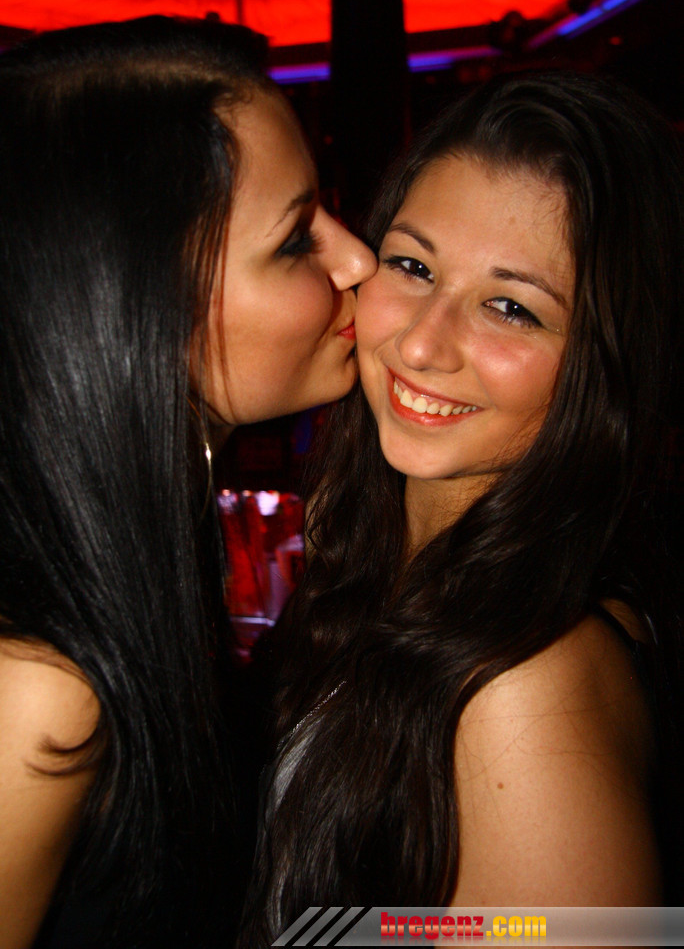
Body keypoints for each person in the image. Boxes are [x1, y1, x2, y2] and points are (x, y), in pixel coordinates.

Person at [241, 71, 684, 944]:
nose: (421, 343)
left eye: (510, 307)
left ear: (608, 362)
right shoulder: (376, 553)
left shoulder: (525, 691)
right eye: (412, 265)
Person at [0, 16, 374, 948]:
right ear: (137, 306)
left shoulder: (126, 543)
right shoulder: (38, 689)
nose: (357, 259)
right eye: (297, 237)